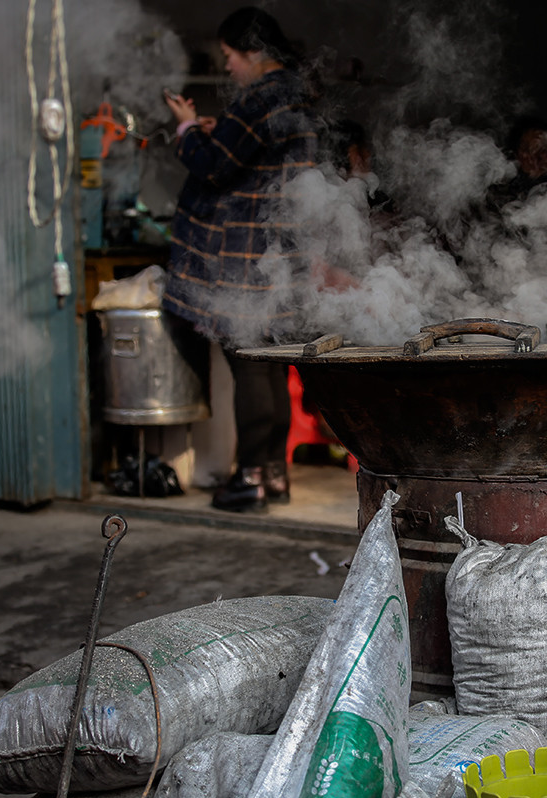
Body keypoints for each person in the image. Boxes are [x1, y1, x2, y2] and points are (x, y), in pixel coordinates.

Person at [162, 7, 318, 513]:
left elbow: (214, 166)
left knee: (248, 360)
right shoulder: (297, 92)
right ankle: (273, 474)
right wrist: (217, 126)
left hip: (247, 253)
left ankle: (249, 477)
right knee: (268, 363)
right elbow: (251, 153)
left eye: (229, 56)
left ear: (252, 51)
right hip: (279, 248)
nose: (227, 66)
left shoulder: (260, 95)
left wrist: (187, 129)